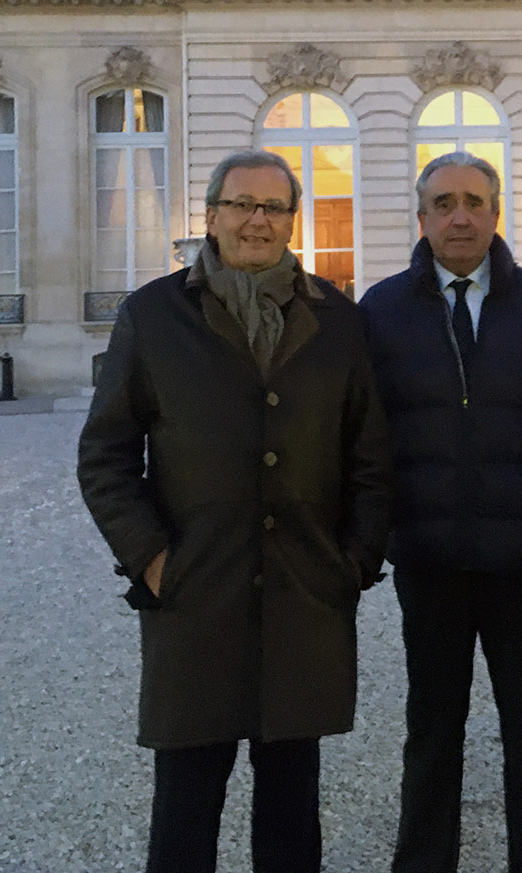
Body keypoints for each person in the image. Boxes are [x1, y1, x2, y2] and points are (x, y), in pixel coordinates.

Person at [78, 148, 393, 873]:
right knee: (185, 808)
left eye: (273, 207)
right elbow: (105, 455)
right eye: (242, 204)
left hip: (304, 592)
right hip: (197, 589)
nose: (258, 220)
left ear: (292, 220)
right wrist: (153, 560)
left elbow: (372, 457)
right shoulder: (154, 315)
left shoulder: (337, 319)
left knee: (291, 810)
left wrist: (352, 564)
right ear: (212, 215)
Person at [359, 151, 522, 873]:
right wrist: (384, 523)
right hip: (427, 554)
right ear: (421, 217)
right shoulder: (382, 310)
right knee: (431, 728)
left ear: (496, 212)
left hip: (521, 554)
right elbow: (361, 431)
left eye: (474, 202)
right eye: (444, 203)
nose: (460, 217)